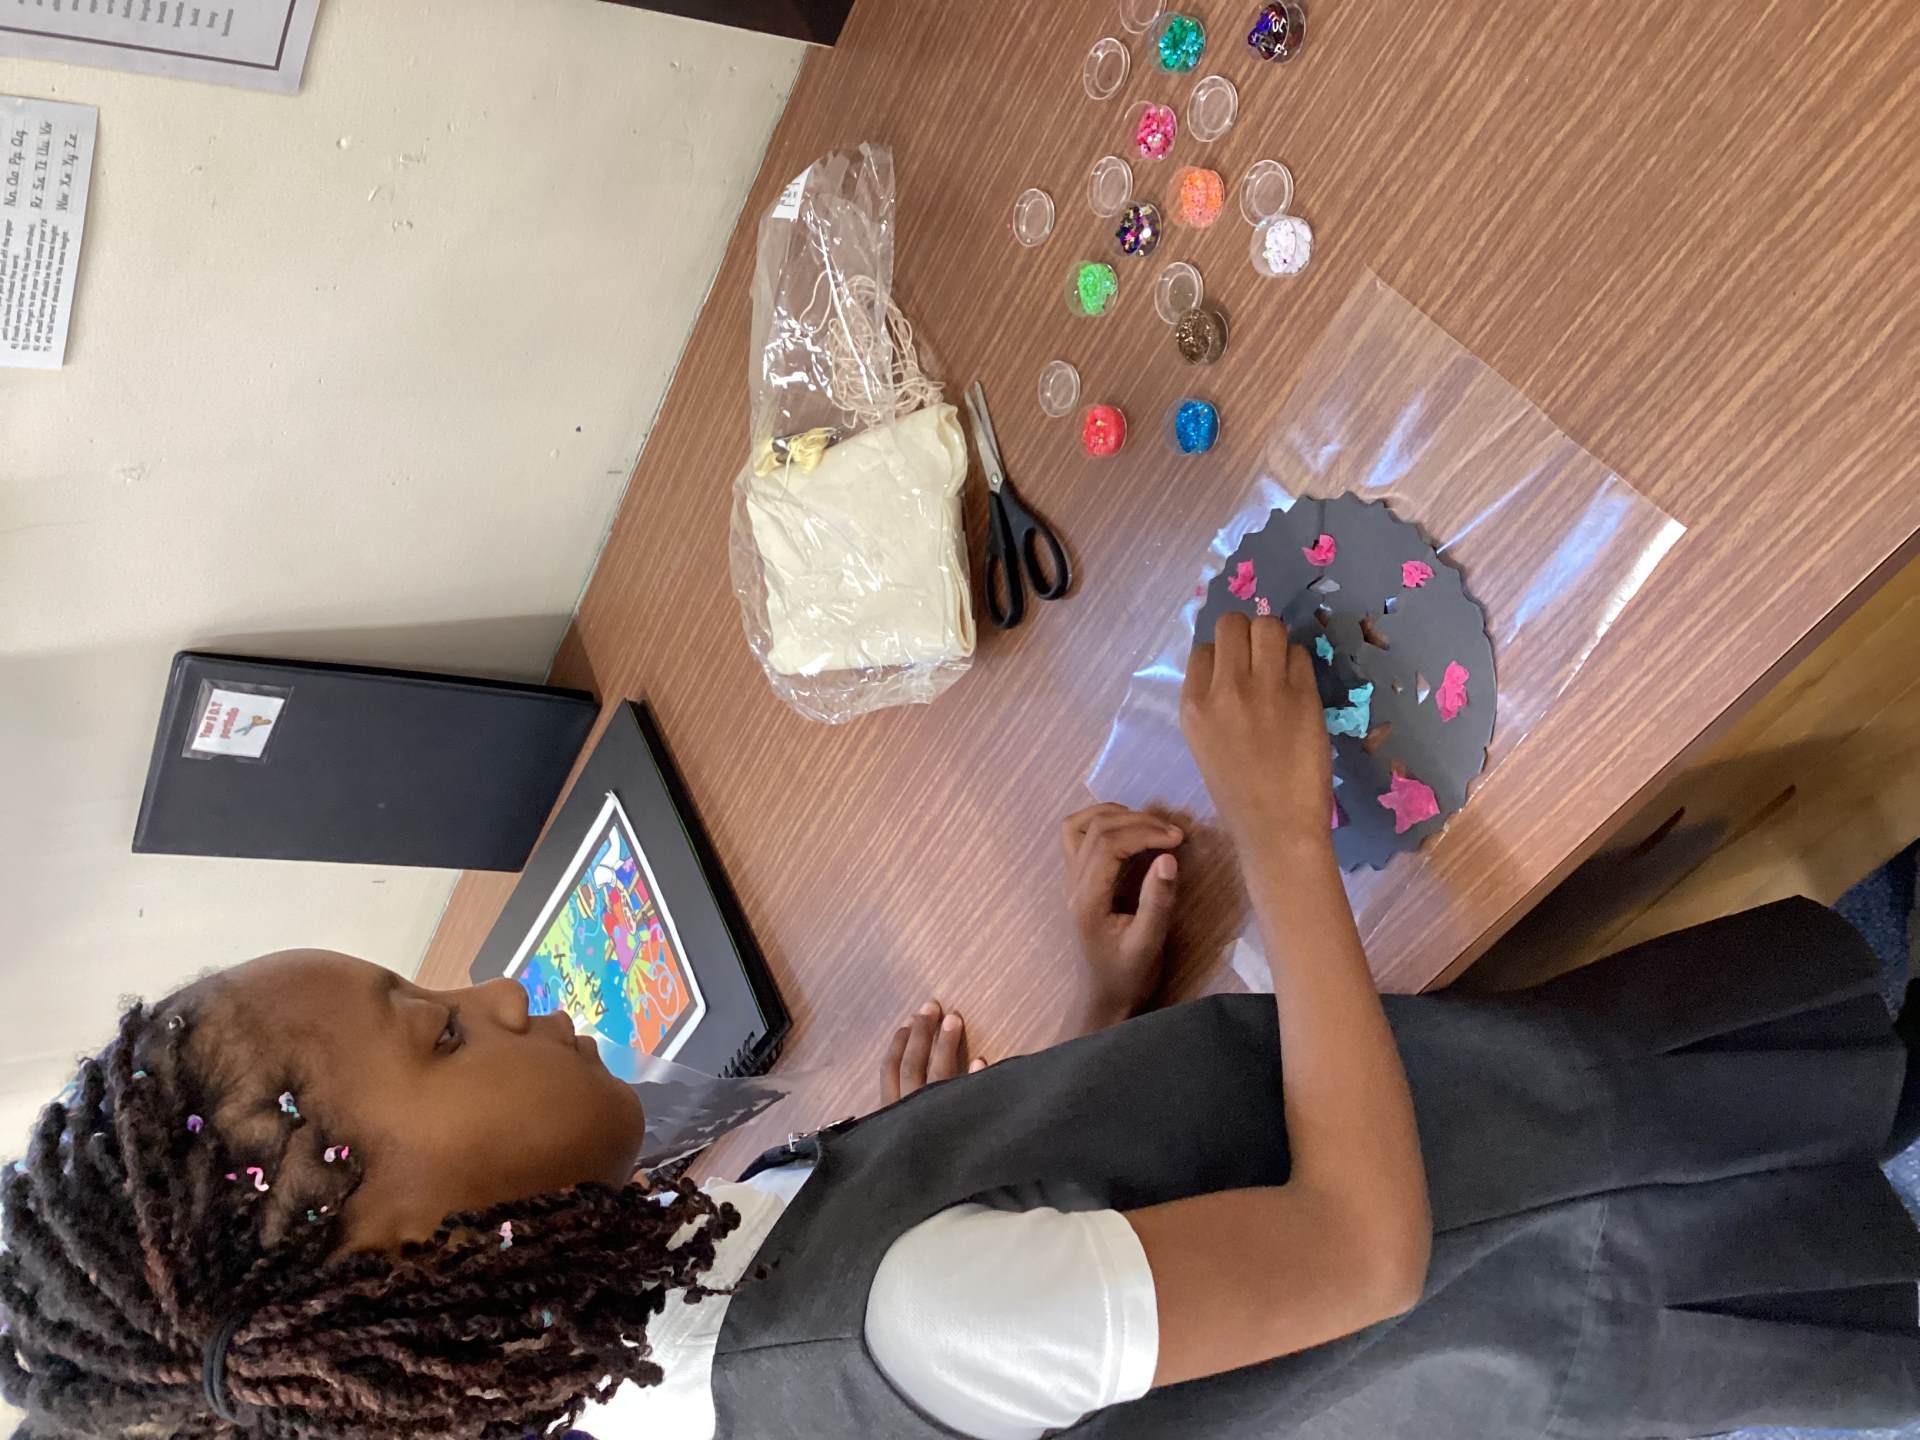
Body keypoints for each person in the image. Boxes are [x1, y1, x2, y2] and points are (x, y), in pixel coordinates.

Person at [4, 614, 1917, 1440]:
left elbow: (1044, 1315)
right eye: (438, 1034)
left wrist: (1086, 1042)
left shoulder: (605, 1340)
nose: (500, 988)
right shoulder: (898, 1318)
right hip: (1565, 1231)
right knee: (1842, 1156)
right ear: (428, 1260)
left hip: (1457, 1163)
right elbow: (1361, 1248)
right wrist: (1278, 833)